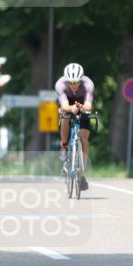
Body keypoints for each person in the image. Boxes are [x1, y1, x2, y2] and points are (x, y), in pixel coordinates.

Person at [55, 62, 95, 191]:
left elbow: (89, 104)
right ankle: (64, 144)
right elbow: (64, 105)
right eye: (70, 82)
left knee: (84, 140)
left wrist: (83, 108)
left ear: (81, 79)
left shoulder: (88, 84)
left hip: (82, 103)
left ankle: (82, 174)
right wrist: (71, 108)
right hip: (67, 103)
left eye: (76, 82)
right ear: (66, 80)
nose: (73, 85)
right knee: (65, 116)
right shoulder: (60, 85)